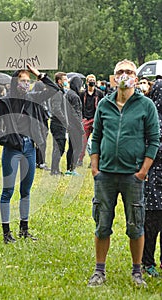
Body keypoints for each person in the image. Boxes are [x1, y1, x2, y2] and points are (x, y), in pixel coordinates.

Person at [88, 59, 160, 287]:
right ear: (114, 77)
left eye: (129, 72)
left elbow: (154, 140)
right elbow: (96, 136)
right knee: (102, 223)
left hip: (133, 176)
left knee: (136, 225)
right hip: (106, 175)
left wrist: (143, 171)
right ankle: (99, 271)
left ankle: (137, 272)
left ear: (136, 79)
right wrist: (94, 167)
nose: (125, 75)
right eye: (120, 72)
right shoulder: (104, 105)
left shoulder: (146, 105)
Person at [0, 64, 60, 243]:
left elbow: (54, 88)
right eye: (23, 80)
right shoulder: (5, 102)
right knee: (8, 190)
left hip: (30, 148)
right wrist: (8, 139)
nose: (26, 84)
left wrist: (38, 74)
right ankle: (6, 232)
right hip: (12, 149)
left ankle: (24, 229)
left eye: (28, 81)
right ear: (15, 82)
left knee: (25, 190)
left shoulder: (32, 98)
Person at [141, 79, 162, 277]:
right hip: (153, 175)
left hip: (155, 174)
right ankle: (148, 262)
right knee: (152, 222)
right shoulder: (151, 118)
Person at [77, 74, 104, 166]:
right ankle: (80, 160)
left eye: (93, 80)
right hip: (85, 119)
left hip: (96, 119)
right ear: (87, 82)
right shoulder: (82, 94)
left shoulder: (99, 93)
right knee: (83, 141)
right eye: (90, 80)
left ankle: (95, 161)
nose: (92, 82)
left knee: (97, 141)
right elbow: (79, 106)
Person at [64, 76, 84, 175]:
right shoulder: (75, 97)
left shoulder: (67, 94)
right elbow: (76, 114)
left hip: (69, 125)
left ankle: (69, 168)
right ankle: (72, 168)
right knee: (78, 147)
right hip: (75, 125)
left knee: (71, 147)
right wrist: (81, 128)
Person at [50, 72, 68, 175]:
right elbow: (56, 109)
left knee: (59, 146)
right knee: (58, 146)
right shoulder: (57, 92)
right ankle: (54, 170)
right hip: (58, 123)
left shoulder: (60, 92)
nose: (66, 82)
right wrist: (64, 120)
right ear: (59, 81)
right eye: (65, 79)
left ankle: (55, 169)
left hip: (59, 123)